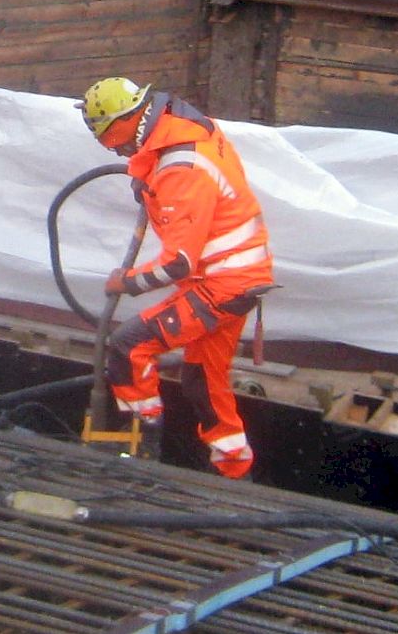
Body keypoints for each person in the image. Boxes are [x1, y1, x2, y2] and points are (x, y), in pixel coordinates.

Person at [80, 76, 276, 478]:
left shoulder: (181, 167)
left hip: (221, 283)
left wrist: (126, 282)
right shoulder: (187, 126)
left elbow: (178, 264)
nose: (109, 146)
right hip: (243, 274)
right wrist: (148, 177)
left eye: (104, 136)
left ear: (121, 122)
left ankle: (141, 451)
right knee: (204, 378)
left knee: (128, 348)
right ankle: (235, 469)